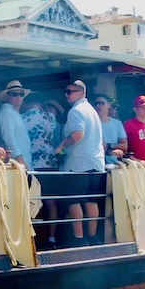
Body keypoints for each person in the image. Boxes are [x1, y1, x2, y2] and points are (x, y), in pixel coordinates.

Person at [53, 80, 105, 246]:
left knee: (74, 201)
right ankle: (93, 237)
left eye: (70, 91)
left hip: (78, 163)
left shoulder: (75, 111)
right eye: (66, 91)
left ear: (81, 93)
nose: (67, 94)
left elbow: (77, 135)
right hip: (96, 163)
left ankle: (79, 239)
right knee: (91, 200)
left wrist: (59, 147)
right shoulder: (92, 111)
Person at [22, 94, 61, 248]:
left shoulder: (23, 118)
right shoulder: (51, 117)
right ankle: (52, 238)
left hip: (34, 164)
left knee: (32, 201)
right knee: (51, 202)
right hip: (51, 163)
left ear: (27, 103)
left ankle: (34, 237)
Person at [0, 80, 33, 169]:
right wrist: (19, 157)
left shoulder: (14, 112)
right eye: (15, 94)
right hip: (17, 162)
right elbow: (8, 136)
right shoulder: (6, 112)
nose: (19, 97)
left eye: (21, 94)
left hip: (24, 161)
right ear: (7, 96)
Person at [93, 94, 127, 166]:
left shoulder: (117, 123)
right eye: (96, 104)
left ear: (109, 105)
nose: (98, 106)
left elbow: (125, 145)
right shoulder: (91, 123)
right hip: (97, 164)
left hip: (115, 164)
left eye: (101, 103)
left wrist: (109, 146)